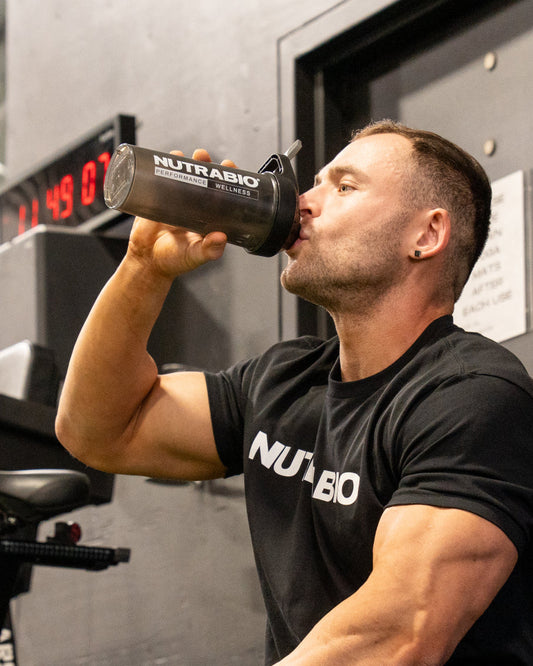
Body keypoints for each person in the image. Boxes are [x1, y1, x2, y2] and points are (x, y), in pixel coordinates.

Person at [56, 120, 533, 665]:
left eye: (345, 186)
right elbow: (98, 429)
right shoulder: (283, 381)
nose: (303, 202)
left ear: (426, 235)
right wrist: (144, 267)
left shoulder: (472, 396)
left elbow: (399, 634)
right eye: (314, 183)